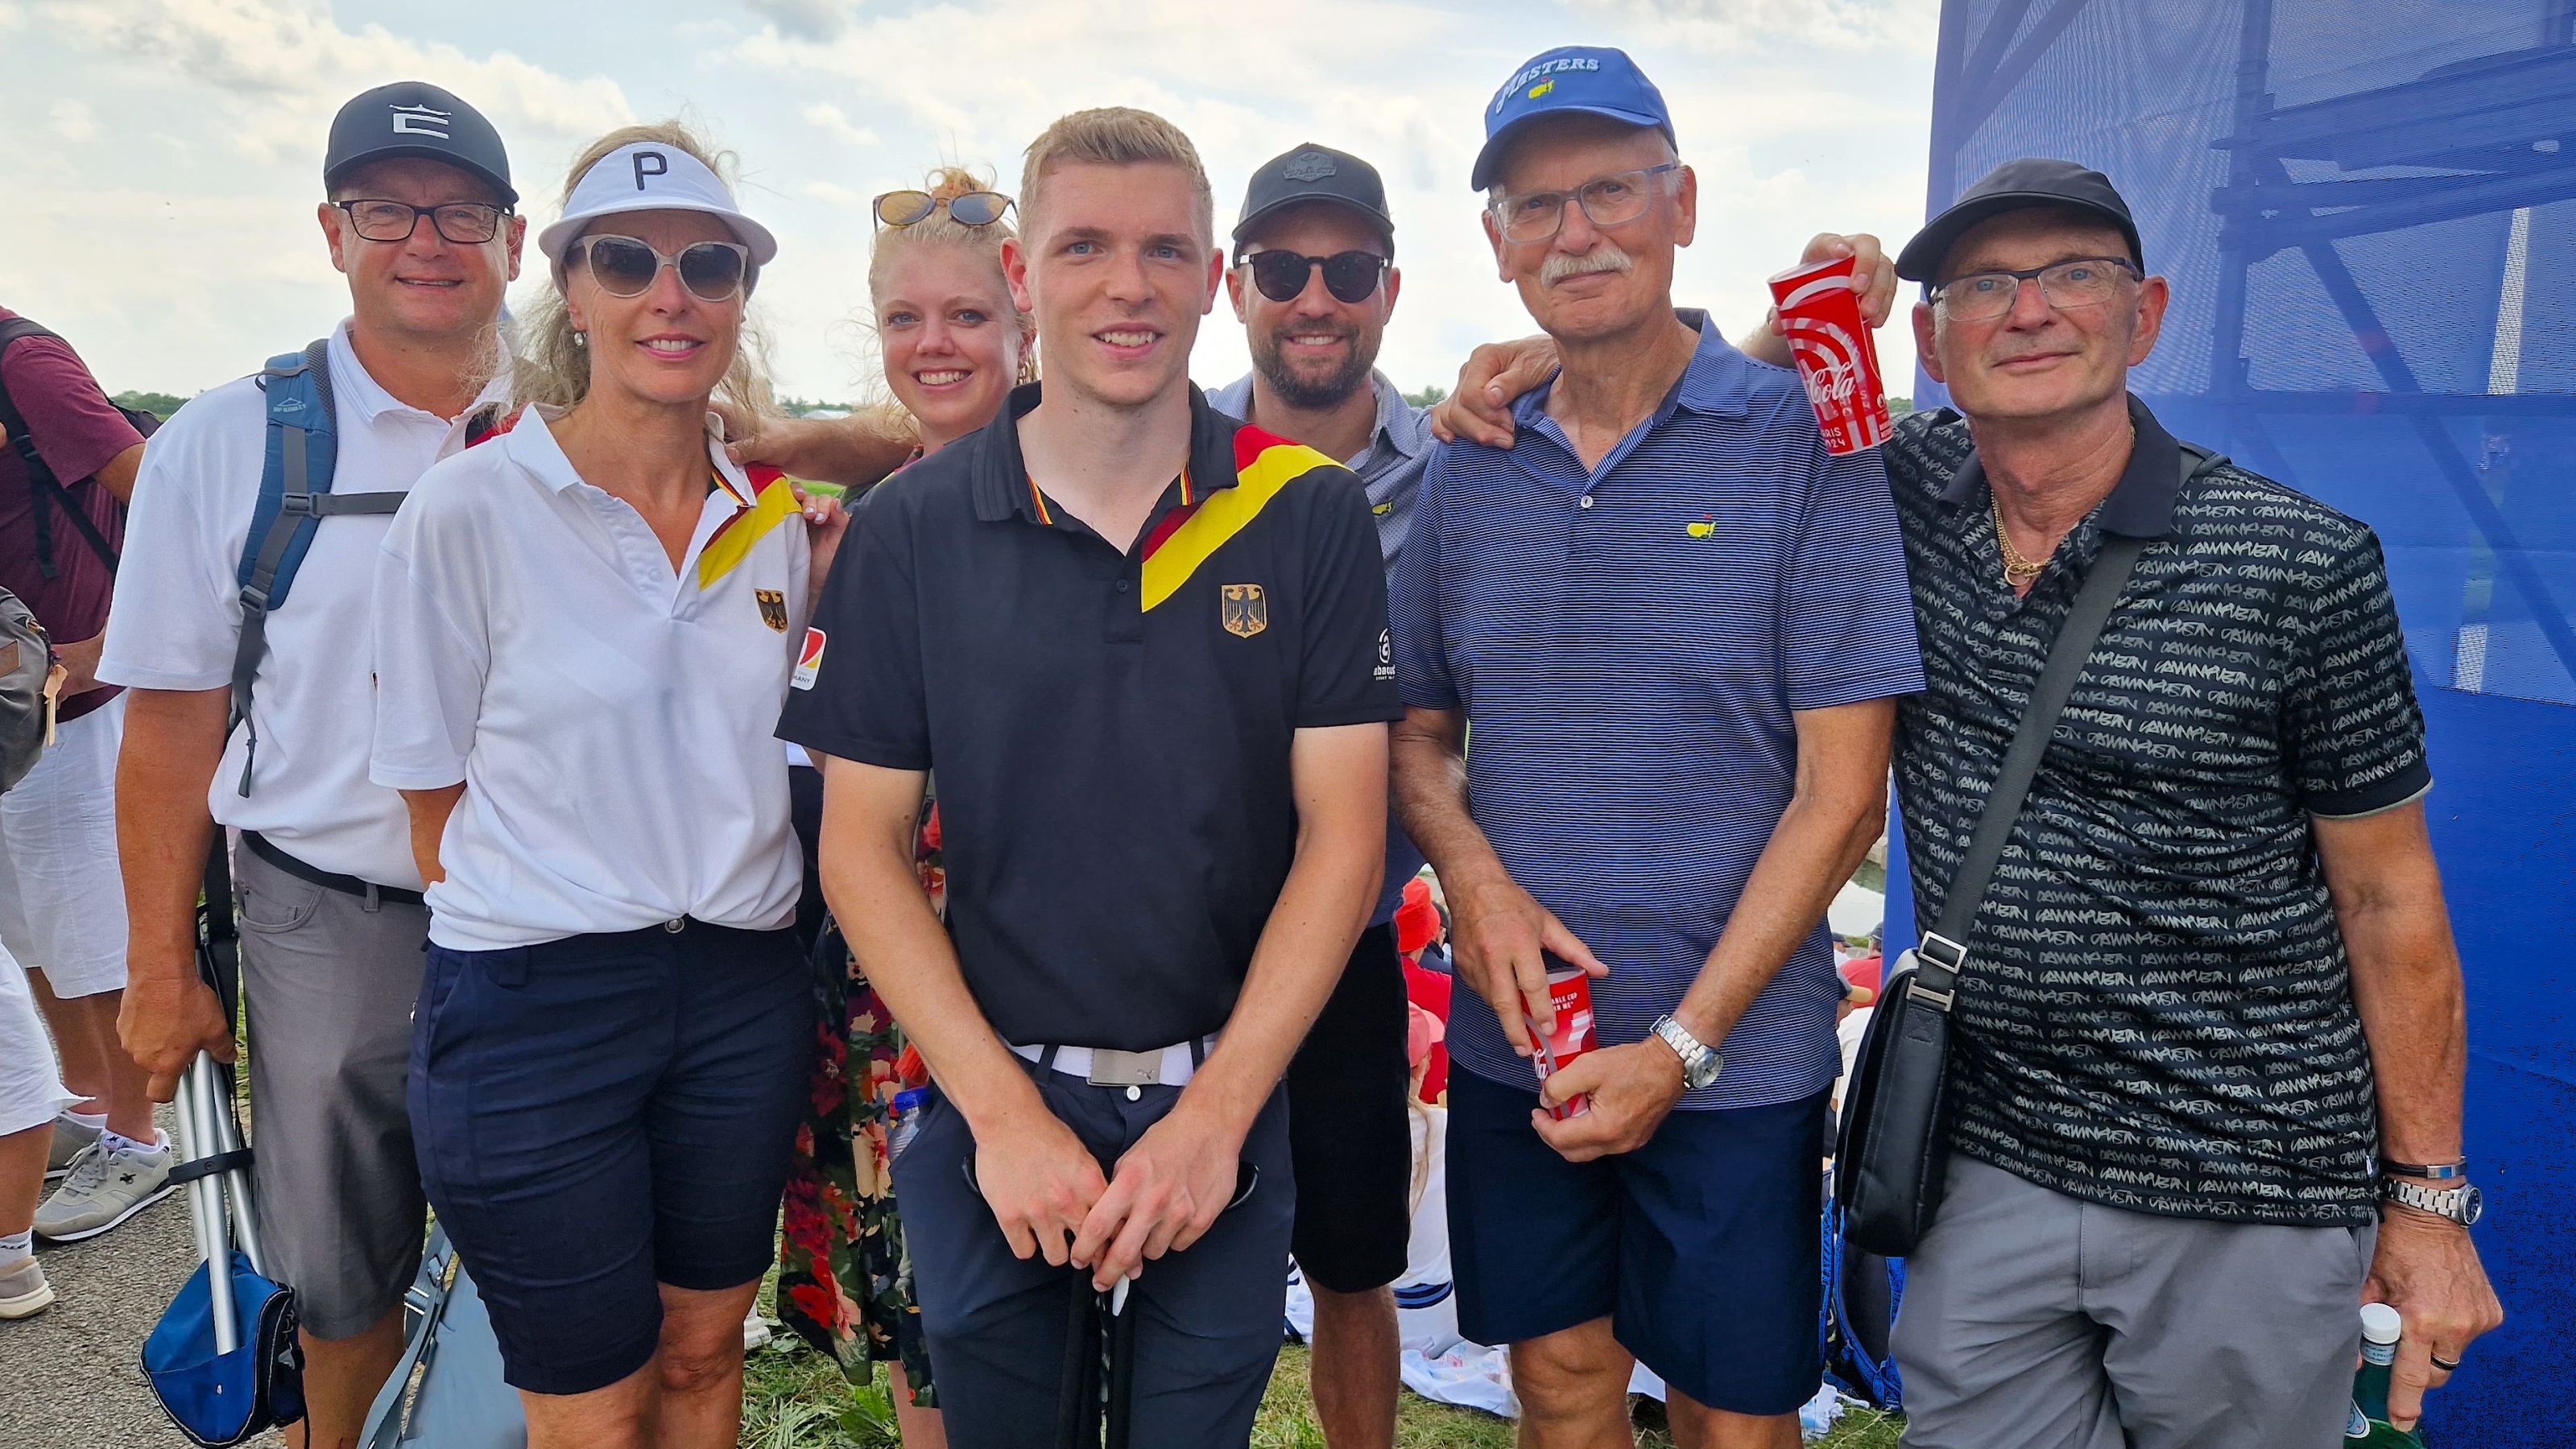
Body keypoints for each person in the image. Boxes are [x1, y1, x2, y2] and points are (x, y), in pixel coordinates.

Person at [1444, 159, 2506, 1448]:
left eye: (2073, 276)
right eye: (1983, 286)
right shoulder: (1887, 495)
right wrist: (1535, 362)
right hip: (1983, 1166)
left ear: (2146, 313)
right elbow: (1696, 412)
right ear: (1931, 344)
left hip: (2240, 1181)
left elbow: (2388, 895)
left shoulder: (2297, 561)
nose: (2027, 312)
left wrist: (2427, 1205)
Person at [781, 106, 1396, 1449]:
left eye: (1164, 249)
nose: (1128, 285)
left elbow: (1341, 842)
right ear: (1022, 276)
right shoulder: (910, 535)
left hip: (1221, 1111)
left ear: (1208, 276)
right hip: (997, 1107)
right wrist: (1000, 1117)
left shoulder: (1303, 514)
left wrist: (1217, 1115)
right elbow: (859, 850)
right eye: (1084, 247)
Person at [1387, 47, 1923, 1449]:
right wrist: (1476, 883)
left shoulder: (1805, 443)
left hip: (1732, 1061)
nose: (1576, 230)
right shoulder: (1469, 462)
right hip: (1526, 1045)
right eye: (1535, 204)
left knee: (1728, 1415)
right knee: (1556, 1382)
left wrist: (1678, 1048)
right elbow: (1418, 733)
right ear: (1495, 244)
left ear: (1679, 204)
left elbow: (1841, 791)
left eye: (1610, 190)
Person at [367, 122, 845, 1449]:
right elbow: (428, 799)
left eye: (707, 264)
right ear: (570, 292)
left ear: (740, 298)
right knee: (591, 1399)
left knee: (700, 1356)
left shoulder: (777, 521)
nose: (668, 295)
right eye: (625, 261)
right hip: (536, 1000)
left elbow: (951, 422)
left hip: (740, 993)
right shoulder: (469, 511)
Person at [98, 80, 523, 1447]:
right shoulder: (228, 446)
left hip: (560, 926)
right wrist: (161, 970)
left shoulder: (592, 422)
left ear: (514, 241)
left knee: (563, 1276)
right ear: (331, 230)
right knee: (344, 1286)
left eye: (461, 212)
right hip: (333, 920)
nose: (426, 239)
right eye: (387, 208)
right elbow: (168, 721)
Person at [776, 163, 1036, 1449]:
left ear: (1025, 317)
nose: (933, 346)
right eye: (903, 320)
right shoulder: (856, 531)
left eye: (967, 317)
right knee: (922, 1316)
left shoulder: (1112, 496)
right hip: (890, 981)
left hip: (1067, 975)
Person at [1205, 141, 1428, 1449]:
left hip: (1343, 945)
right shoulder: (1164, 451)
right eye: (1282, 267)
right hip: (1177, 940)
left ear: (1387, 288)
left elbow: (1625, 411)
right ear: (1239, 284)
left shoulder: (1457, 468)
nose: (1313, 296)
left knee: (1353, 1265)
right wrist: (772, 435)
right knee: (1184, 1263)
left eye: (1343, 268)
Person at [0, 310, 159, 1241]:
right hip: (20, 711)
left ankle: (139, 1141)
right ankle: (90, 1104)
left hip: (80, 707)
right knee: (31, 931)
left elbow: (167, 500)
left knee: (93, 936)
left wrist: (115, 646)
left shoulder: (27, 365)